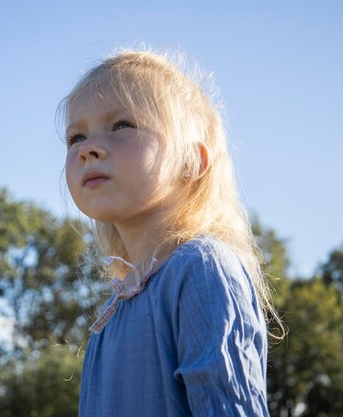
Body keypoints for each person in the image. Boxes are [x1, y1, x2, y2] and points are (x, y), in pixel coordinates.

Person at [59, 49, 279, 416]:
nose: (88, 150)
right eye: (75, 137)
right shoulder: (110, 313)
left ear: (191, 162)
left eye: (121, 125)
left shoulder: (203, 269)